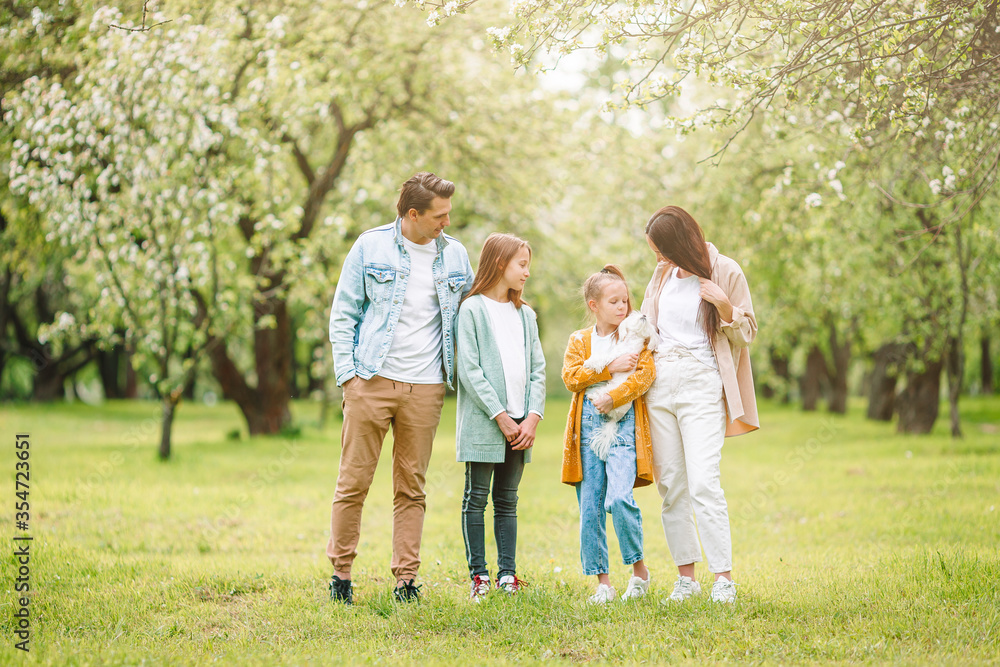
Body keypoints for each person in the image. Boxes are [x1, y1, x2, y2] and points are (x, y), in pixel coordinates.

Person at [326, 172, 475, 605]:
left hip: (426, 387)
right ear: (413, 214)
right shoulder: (369, 246)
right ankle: (341, 575)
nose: (446, 222)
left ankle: (406, 581)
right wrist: (349, 377)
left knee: (412, 488)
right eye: (439, 215)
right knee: (353, 482)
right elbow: (344, 313)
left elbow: (473, 311)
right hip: (370, 381)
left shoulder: (457, 257)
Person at [641, 205, 758, 604]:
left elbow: (747, 335)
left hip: (702, 385)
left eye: (662, 250)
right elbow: (645, 325)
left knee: (705, 482)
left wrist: (726, 307)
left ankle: (723, 578)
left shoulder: (725, 270)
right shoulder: (662, 275)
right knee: (672, 485)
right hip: (660, 387)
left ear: (681, 242)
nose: (658, 259)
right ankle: (686, 579)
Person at [456, 233, 545, 601]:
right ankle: (480, 577)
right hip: (488, 423)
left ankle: (507, 575)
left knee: (508, 500)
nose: (527, 272)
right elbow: (470, 370)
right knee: (476, 497)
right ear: (499, 264)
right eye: (521, 264)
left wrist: (532, 417)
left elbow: (538, 368)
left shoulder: (525, 315)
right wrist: (502, 417)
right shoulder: (472, 309)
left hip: (522, 424)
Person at [561, 265, 656, 604]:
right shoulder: (579, 340)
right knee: (591, 505)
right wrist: (608, 368)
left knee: (619, 498)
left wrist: (612, 396)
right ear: (593, 305)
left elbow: (644, 377)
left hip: (622, 429)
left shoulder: (634, 337)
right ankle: (603, 582)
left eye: (625, 301)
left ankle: (639, 570)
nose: (622, 307)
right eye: (614, 301)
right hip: (586, 431)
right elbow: (571, 377)